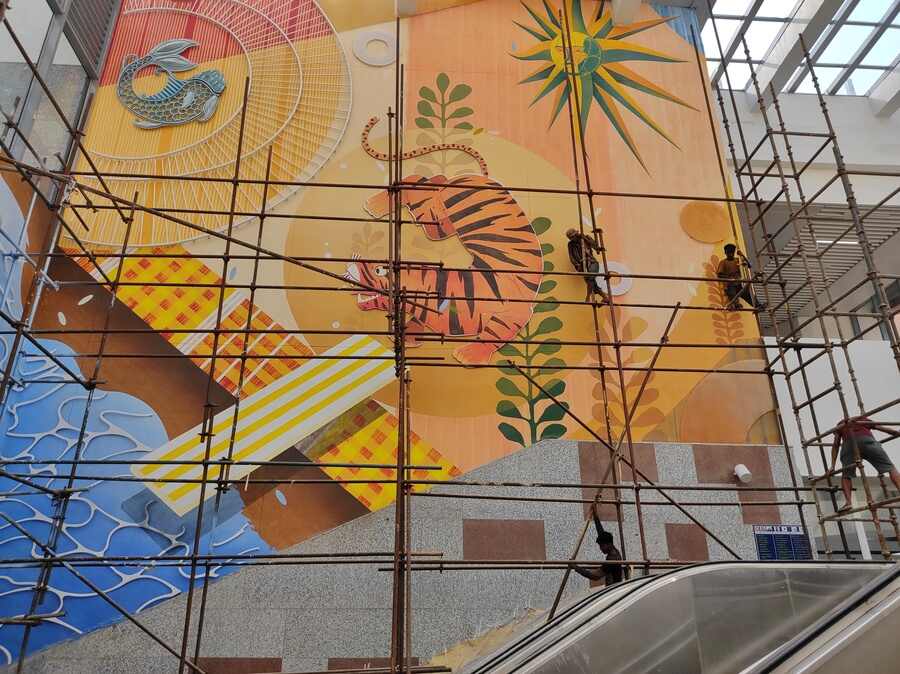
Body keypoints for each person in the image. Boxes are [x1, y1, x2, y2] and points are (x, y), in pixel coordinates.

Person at [829, 416, 900, 512]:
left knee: (846, 475)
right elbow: (882, 428)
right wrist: (896, 432)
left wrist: (832, 465)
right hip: (867, 441)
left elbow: (836, 444)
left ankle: (848, 503)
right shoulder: (862, 419)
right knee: (890, 468)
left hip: (848, 445)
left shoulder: (840, 424)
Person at [571, 501, 624, 587]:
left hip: (613, 590)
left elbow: (595, 576)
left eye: (602, 546)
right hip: (612, 588)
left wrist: (576, 567)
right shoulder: (613, 549)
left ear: (609, 544)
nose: (601, 549)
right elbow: (600, 531)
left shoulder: (612, 559)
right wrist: (595, 515)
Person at [716, 243, 764, 310]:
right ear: (726, 253)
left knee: (748, 295)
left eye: (732, 252)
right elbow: (719, 275)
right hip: (730, 284)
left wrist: (742, 255)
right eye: (728, 253)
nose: (730, 254)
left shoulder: (738, 260)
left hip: (740, 282)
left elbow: (749, 265)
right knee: (732, 293)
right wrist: (729, 278)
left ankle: (757, 305)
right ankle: (736, 304)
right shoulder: (723, 262)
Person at [566, 228, 607, 304]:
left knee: (590, 278)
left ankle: (588, 297)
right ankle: (605, 297)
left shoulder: (585, 238)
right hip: (582, 267)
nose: (572, 239)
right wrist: (577, 265)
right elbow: (571, 257)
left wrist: (584, 238)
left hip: (592, 262)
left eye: (573, 236)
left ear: (576, 234)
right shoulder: (570, 244)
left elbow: (596, 247)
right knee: (592, 284)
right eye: (571, 238)